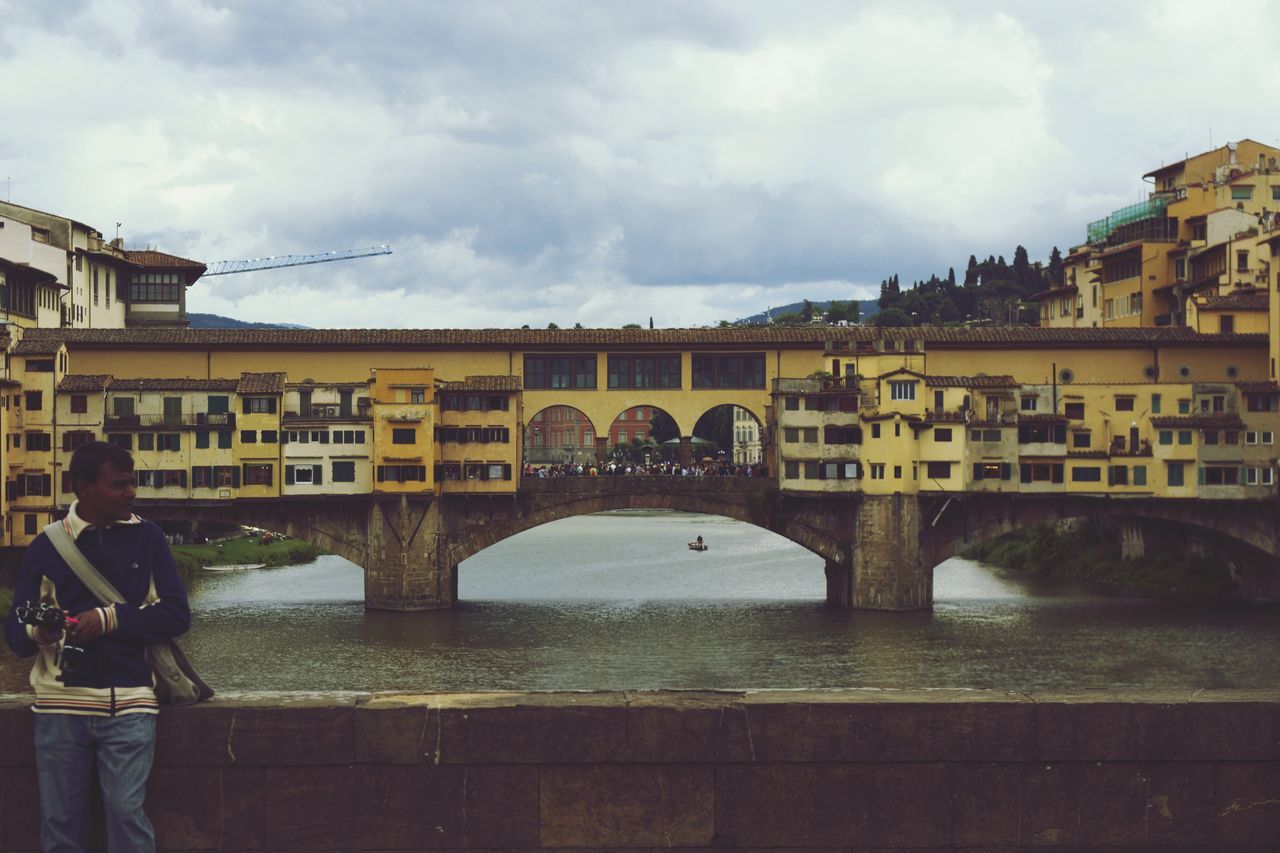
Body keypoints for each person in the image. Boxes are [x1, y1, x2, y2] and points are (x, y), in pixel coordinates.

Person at [4, 441, 191, 852]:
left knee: (127, 817)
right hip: (59, 707)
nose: (131, 492)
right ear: (83, 488)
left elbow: (177, 615)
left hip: (129, 703)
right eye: (119, 484)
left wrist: (108, 618)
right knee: (60, 826)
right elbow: (16, 633)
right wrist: (43, 632)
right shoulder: (47, 546)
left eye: (132, 483)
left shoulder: (149, 538)